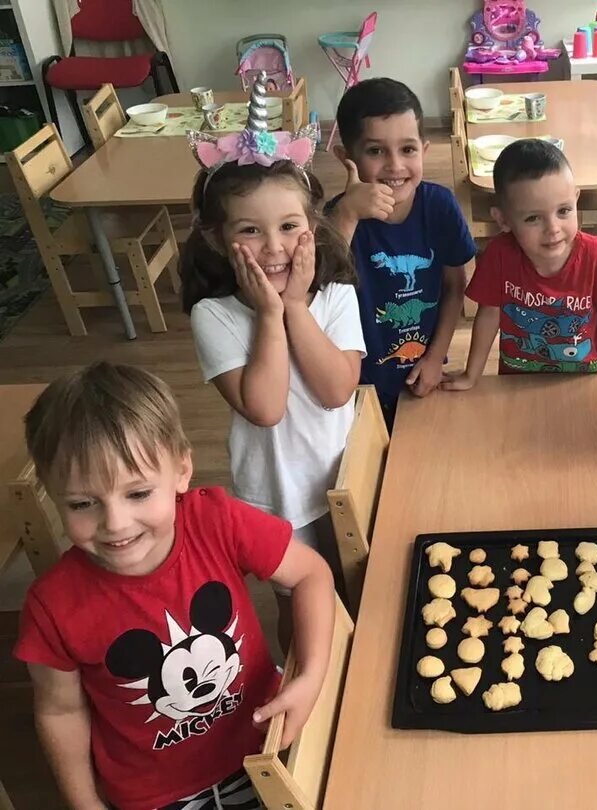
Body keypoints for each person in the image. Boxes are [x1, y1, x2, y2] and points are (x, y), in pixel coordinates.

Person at [14, 362, 335, 810]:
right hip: (156, 795)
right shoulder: (52, 606)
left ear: (182, 470)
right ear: (51, 492)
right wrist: (84, 804)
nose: (115, 523)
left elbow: (311, 574)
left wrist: (312, 674)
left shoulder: (216, 520)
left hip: (269, 742)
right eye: (83, 503)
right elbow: (60, 710)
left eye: (138, 493)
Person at [181, 101, 364, 647]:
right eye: (250, 231)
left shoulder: (334, 296)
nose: (275, 247)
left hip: (344, 480)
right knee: (301, 603)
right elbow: (265, 408)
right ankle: (305, 676)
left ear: (312, 226)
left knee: (357, 584)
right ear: (217, 239)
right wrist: (269, 313)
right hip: (276, 495)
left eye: (289, 226)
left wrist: (296, 306)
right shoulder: (214, 315)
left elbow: (336, 391)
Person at [442, 138, 597, 393]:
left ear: (576, 200)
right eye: (533, 218)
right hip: (518, 381)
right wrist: (472, 374)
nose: (553, 229)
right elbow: (489, 313)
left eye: (563, 211)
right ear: (503, 220)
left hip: (587, 380)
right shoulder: (499, 255)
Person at [326, 77, 476, 426]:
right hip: (355, 385)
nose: (395, 166)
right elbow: (319, 294)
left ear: (424, 150)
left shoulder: (440, 206)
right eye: (376, 151)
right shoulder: (336, 218)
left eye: (407, 149)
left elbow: (456, 286)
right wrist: (348, 214)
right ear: (346, 158)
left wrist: (436, 357)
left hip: (425, 372)